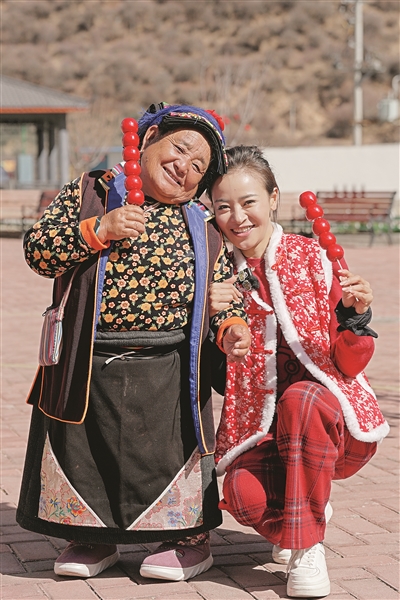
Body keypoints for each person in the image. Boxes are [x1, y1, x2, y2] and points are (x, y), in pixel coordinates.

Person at [17, 104, 251, 581]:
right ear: (147, 140)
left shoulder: (203, 225)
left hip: (170, 368)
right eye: (179, 148)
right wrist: (99, 230)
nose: (184, 167)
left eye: (199, 166)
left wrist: (231, 326)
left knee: (168, 458)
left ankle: (186, 540)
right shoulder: (92, 192)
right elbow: (37, 251)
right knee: (85, 458)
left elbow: (226, 292)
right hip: (87, 359)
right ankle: (91, 537)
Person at [208, 145, 389, 598]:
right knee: (243, 496)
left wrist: (356, 320)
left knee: (301, 398)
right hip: (262, 429)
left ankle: (307, 548)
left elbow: (349, 362)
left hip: (333, 427)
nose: (237, 217)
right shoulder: (216, 274)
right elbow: (213, 372)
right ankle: (309, 508)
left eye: (248, 202)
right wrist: (216, 330)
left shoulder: (312, 258)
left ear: (273, 199)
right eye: (223, 206)